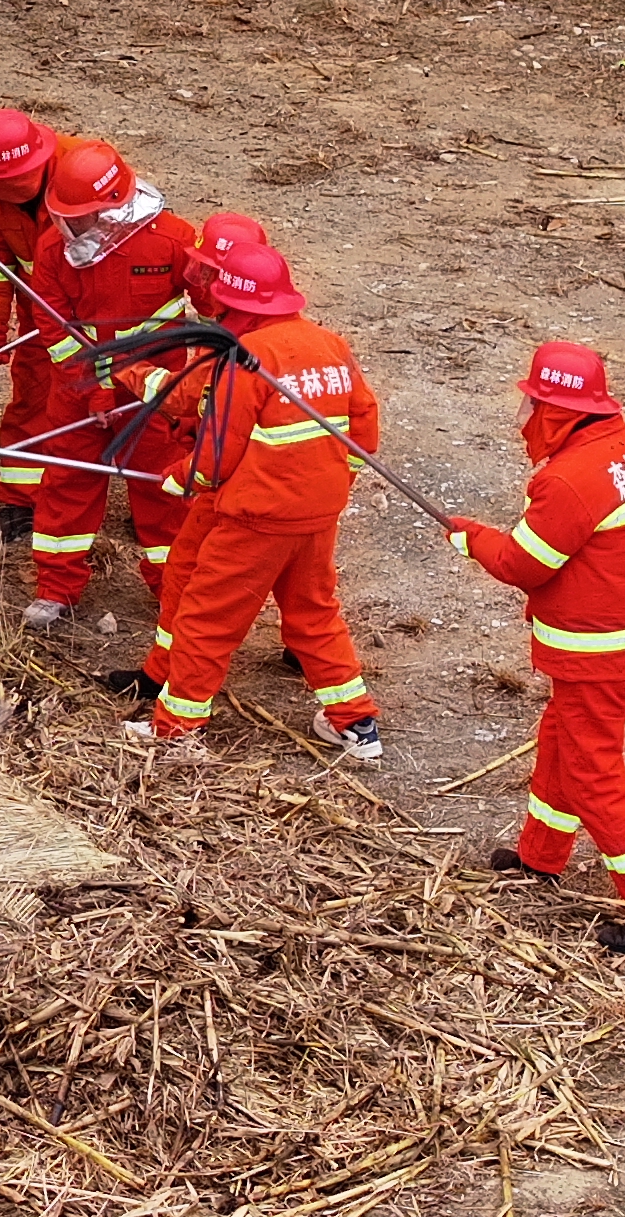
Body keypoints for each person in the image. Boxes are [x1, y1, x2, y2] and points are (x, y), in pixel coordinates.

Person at [451, 343, 625, 953]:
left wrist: (470, 538)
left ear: (557, 409)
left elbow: (523, 564)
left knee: (592, 774)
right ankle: (541, 857)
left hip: (594, 651)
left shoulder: (568, 479)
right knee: (563, 742)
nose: (523, 416)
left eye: (531, 403)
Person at [125, 241, 386, 758]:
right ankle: (355, 724)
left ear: (238, 308)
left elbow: (217, 455)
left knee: (206, 616)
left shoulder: (246, 359)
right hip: (315, 513)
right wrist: (329, 484)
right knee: (313, 611)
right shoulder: (330, 344)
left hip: (255, 516)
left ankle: (176, 728)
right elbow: (365, 429)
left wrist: (180, 478)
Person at [19, 139, 197, 631]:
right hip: (78, 393)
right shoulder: (54, 249)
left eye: (80, 218)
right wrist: (89, 388)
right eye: (63, 217)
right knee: (66, 482)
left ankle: (174, 590)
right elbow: (53, 326)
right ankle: (57, 587)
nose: (68, 228)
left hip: (156, 395)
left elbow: (212, 302)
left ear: (114, 207)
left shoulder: (171, 238)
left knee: (164, 489)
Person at [104, 209, 269, 710]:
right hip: (291, 496)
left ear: (227, 281)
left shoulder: (231, 346)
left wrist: (126, 370)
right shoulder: (283, 335)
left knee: (197, 589)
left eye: (205, 273)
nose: (194, 280)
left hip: (244, 498)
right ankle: (345, 708)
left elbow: (183, 397)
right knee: (307, 594)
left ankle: (176, 708)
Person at [0, 108, 75, 543]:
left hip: (104, 308)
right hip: (39, 305)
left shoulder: (83, 169)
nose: (9, 190)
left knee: (132, 404)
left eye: (18, 181)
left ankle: (154, 500)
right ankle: (21, 501)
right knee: (34, 395)